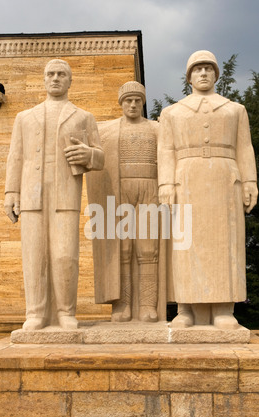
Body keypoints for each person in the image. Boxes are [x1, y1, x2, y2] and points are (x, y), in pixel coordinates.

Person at [157, 50, 258, 329]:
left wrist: (250, 181)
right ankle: (186, 309)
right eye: (197, 69)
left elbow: (244, 147)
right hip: (184, 180)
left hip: (225, 181)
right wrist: (165, 183)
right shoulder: (172, 113)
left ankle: (224, 308)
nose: (203, 73)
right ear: (189, 77)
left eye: (208, 68)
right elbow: (165, 150)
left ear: (216, 74)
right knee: (184, 244)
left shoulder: (234, 110)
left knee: (224, 244)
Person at [4, 59, 104, 330]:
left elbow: (100, 156)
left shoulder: (83, 117)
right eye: (51, 74)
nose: (56, 78)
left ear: (70, 81)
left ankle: (64, 312)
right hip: (32, 193)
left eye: (62, 74)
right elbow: (16, 157)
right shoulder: (25, 117)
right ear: (44, 79)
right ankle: (35, 313)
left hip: (65, 193)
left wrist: (89, 155)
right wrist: (11, 191)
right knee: (34, 253)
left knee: (64, 254)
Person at [87, 81, 166, 322]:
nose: (132, 104)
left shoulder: (157, 128)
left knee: (148, 249)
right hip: (120, 189)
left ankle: (148, 305)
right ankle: (122, 305)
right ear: (121, 103)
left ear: (143, 103)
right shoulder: (107, 130)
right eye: (128, 100)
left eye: (137, 100)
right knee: (122, 248)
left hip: (149, 188)